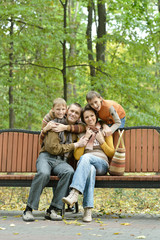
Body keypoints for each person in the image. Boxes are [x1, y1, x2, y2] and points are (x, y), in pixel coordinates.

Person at [22, 103, 88, 222]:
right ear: (67, 111)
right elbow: (53, 148)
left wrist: (72, 132)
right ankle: (28, 209)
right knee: (43, 174)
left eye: (77, 113)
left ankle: (53, 209)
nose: (73, 114)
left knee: (69, 171)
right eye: (71, 111)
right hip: (46, 157)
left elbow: (85, 127)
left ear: (79, 117)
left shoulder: (76, 129)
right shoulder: (54, 123)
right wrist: (75, 145)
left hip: (61, 161)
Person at [62, 104, 119, 222]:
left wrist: (102, 141)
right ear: (83, 120)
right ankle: (88, 210)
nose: (90, 119)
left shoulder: (104, 131)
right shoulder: (82, 133)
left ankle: (74, 192)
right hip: (86, 165)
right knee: (90, 169)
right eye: (86, 117)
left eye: (92, 116)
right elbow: (78, 156)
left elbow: (111, 153)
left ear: (96, 116)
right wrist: (86, 138)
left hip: (102, 164)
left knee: (87, 157)